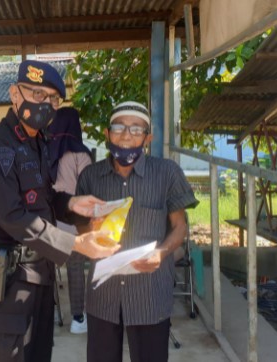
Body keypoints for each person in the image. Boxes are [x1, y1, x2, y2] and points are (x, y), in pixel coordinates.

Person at [0, 59, 120, 362]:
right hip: (9, 283)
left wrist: (72, 204)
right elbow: (13, 217)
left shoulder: (36, 142)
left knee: (39, 355)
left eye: (53, 98)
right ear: (15, 93)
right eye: (37, 94)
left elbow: (42, 196)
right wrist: (76, 244)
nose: (46, 104)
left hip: (40, 276)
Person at [75, 101, 199, 362]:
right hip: (104, 294)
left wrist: (162, 253)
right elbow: (81, 227)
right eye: (119, 127)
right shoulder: (90, 176)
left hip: (149, 293)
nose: (126, 135)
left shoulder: (167, 173)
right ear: (107, 134)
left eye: (136, 129)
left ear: (148, 137)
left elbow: (179, 228)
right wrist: (90, 229)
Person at [47, 107, 93, 334]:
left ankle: (51, 311)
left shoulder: (45, 149)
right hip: (75, 220)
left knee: (46, 266)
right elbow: (87, 187)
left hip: (48, 221)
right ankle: (78, 318)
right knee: (75, 267)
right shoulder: (80, 153)